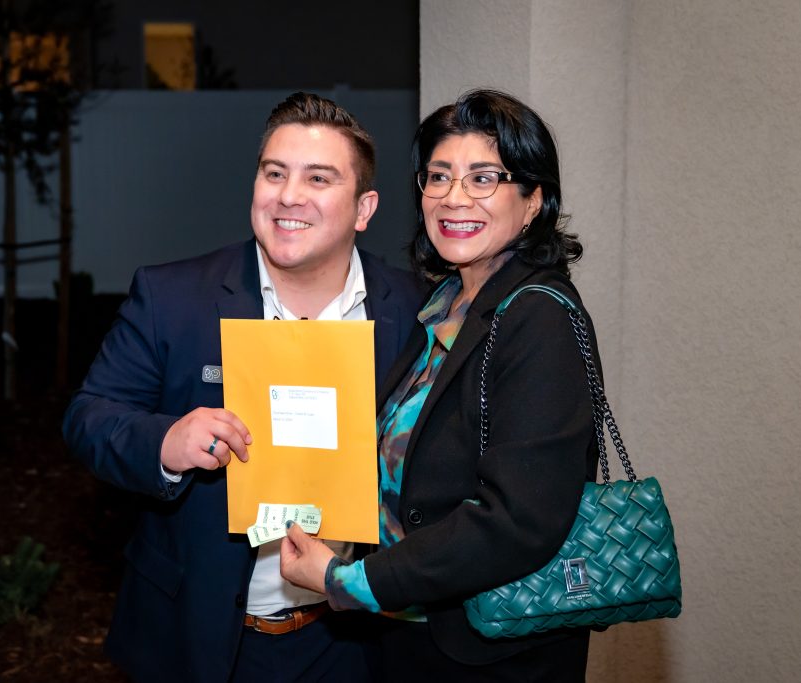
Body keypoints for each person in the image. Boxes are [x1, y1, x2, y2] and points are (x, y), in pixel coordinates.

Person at [63, 92, 424, 683]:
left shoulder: (415, 310)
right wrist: (164, 443)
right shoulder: (172, 299)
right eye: (274, 172)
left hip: (360, 642)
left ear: (364, 209)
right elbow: (87, 417)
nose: (288, 195)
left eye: (319, 177)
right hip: (204, 638)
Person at [280, 89, 599, 681]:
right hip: (412, 634)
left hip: (493, 652)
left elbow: (518, 520)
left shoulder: (538, 317)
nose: (455, 197)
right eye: (439, 176)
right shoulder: (446, 304)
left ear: (533, 201)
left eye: (484, 178)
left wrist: (350, 581)